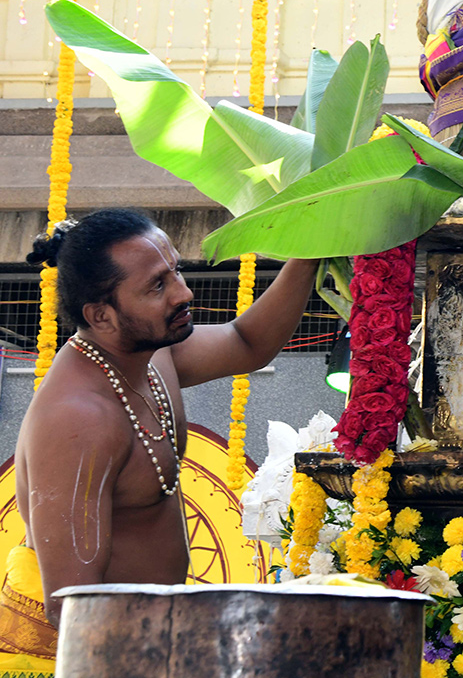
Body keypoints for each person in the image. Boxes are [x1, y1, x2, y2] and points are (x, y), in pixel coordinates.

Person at [0, 208, 319, 665]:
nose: (184, 292)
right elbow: (74, 607)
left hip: (153, 640)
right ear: (101, 316)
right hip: (86, 654)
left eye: (176, 271)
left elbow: (248, 343)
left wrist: (308, 256)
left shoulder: (150, 355)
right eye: (157, 285)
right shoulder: (78, 419)